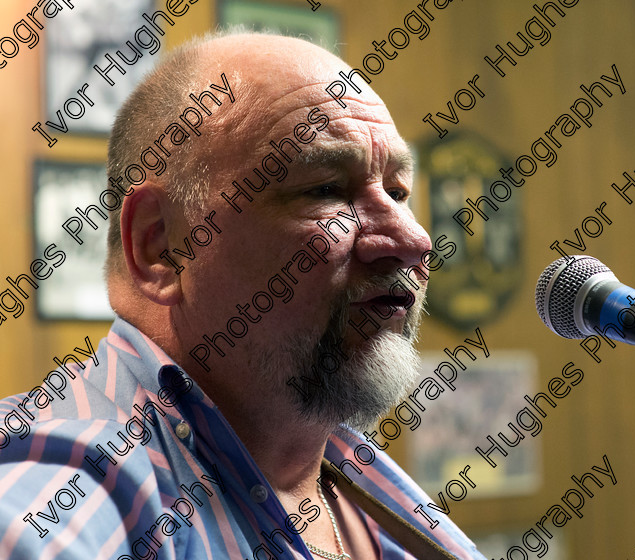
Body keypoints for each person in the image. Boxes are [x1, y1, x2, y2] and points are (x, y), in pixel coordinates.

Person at [0, 31, 484, 560]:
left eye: (397, 192)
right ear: (161, 247)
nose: (414, 241)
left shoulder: (343, 472)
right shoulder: (72, 484)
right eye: (324, 188)